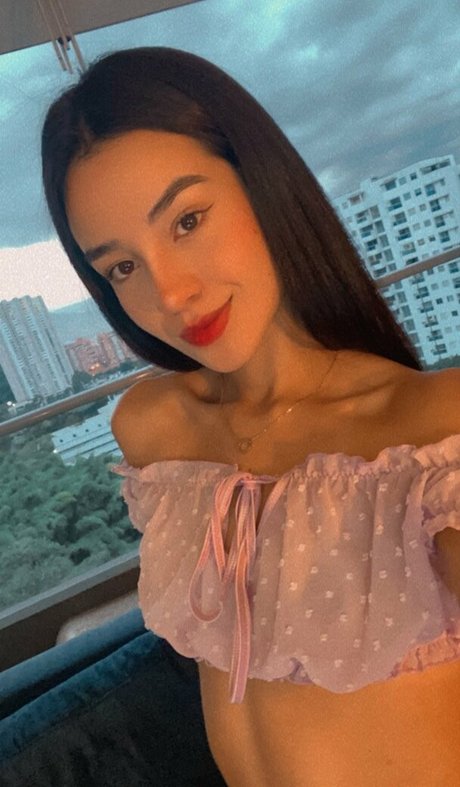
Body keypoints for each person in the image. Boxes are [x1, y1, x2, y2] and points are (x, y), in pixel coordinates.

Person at [41, 47, 460, 787]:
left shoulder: (430, 438)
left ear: (263, 186)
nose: (171, 293)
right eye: (122, 267)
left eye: (187, 219)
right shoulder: (155, 434)